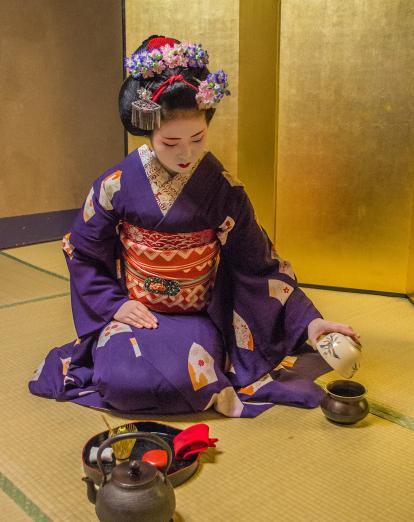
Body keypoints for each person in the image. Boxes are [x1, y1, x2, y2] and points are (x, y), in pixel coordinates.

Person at [29, 35, 360, 418]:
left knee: (191, 377)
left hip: (195, 315)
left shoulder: (223, 191)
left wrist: (312, 323)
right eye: (171, 142)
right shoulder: (115, 185)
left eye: (197, 138)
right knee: (118, 380)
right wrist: (114, 305)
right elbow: (81, 248)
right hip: (136, 310)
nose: (186, 153)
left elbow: (260, 266)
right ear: (148, 131)